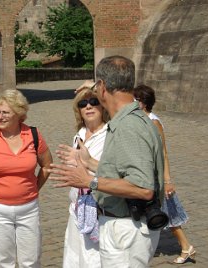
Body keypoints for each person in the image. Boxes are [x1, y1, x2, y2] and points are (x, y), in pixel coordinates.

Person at [48, 55, 165, 267]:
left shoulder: (128, 126)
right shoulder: (132, 119)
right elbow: (123, 171)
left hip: (127, 229)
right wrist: (91, 162)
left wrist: (89, 181)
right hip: (123, 226)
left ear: (102, 87)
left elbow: (142, 188)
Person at [0, 89, 53, 268]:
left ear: (19, 114)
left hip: (29, 209)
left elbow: (47, 166)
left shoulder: (33, 135)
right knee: (3, 262)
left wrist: (33, 188)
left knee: (31, 261)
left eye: (5, 112)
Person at [134, 84, 195, 264]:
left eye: (135, 99)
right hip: (144, 175)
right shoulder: (138, 120)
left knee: (167, 212)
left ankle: (186, 247)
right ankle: (185, 247)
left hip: (156, 177)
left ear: (143, 103)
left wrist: (167, 180)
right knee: (163, 212)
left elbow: (163, 153)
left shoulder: (154, 122)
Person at [59, 89, 108, 268]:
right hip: (77, 208)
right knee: (74, 259)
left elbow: (116, 172)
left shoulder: (111, 134)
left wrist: (88, 163)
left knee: (94, 260)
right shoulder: (78, 135)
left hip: (100, 210)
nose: (88, 106)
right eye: (83, 104)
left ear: (103, 106)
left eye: (94, 102)